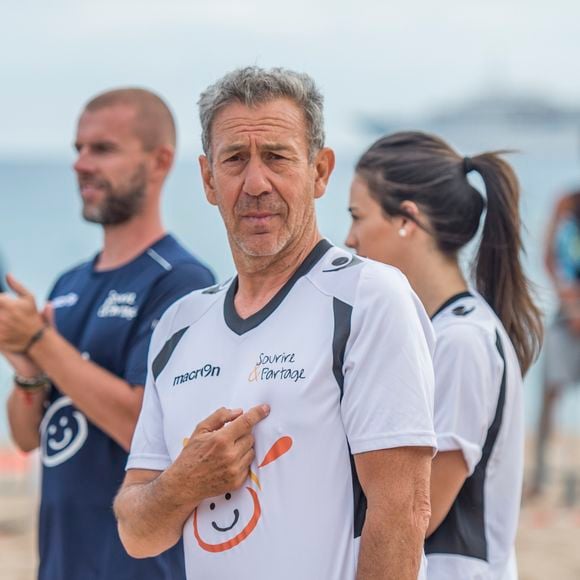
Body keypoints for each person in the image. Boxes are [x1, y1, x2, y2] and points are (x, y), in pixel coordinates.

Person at [114, 67, 437, 580]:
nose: (256, 183)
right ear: (207, 179)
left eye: (278, 157)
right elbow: (137, 533)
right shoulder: (179, 324)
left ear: (320, 171)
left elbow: (403, 514)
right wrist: (184, 483)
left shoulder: (369, 296)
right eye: (235, 159)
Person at [0, 88, 215, 579]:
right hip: (59, 562)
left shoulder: (181, 282)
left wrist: (39, 341)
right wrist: (30, 372)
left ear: (160, 161)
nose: (81, 165)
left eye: (103, 149)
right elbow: (27, 436)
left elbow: (141, 424)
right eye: (78, 149)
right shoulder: (69, 283)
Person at [345, 131, 543, 579]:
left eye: (357, 216)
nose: (350, 239)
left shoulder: (462, 340)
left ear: (407, 220)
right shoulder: (446, 330)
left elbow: (419, 510)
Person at [533, 191, 580, 495]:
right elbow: (549, 260)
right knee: (549, 399)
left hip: (569, 313)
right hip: (566, 317)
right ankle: (540, 476)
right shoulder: (569, 216)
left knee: (549, 400)